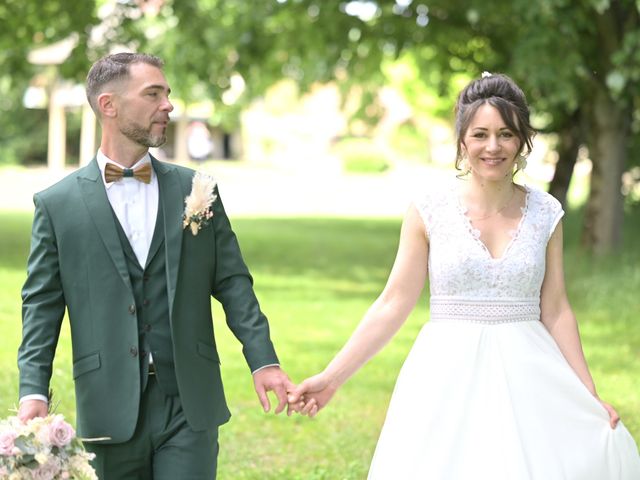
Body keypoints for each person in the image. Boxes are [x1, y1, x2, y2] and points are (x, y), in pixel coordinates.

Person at [288, 73, 640, 478]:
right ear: (462, 141)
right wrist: (332, 378)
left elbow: (556, 310)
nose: (493, 146)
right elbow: (393, 303)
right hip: (445, 375)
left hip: (531, 374)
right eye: (480, 134)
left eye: (506, 134)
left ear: (522, 141)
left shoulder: (546, 214)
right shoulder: (428, 210)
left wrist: (587, 395)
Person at [17, 52, 293, 479]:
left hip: (189, 400)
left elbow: (234, 282)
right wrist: (33, 390)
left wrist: (264, 361)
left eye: (167, 93)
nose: (168, 105)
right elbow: (41, 306)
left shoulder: (195, 189)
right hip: (107, 404)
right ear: (109, 105)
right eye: (153, 94)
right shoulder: (57, 205)